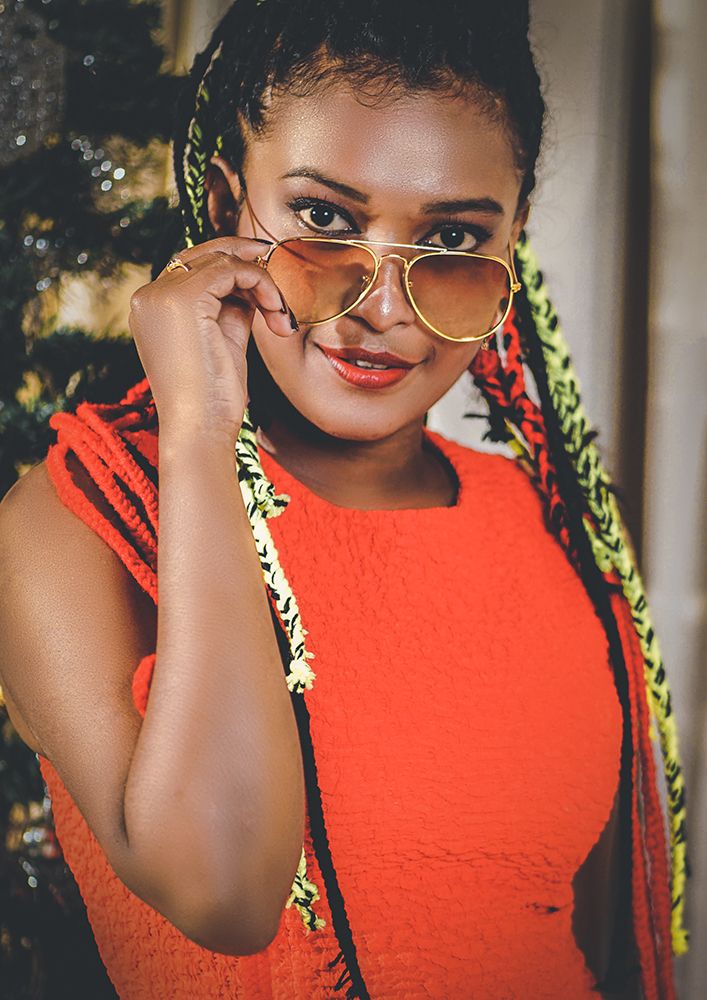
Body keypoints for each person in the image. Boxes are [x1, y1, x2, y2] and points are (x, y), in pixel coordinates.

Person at [0, 1, 690, 998]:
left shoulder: (546, 525)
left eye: (451, 236)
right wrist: (199, 436)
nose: (382, 308)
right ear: (226, 204)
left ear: (512, 243)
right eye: (325, 218)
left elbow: (599, 940)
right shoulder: (76, 522)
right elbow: (224, 892)